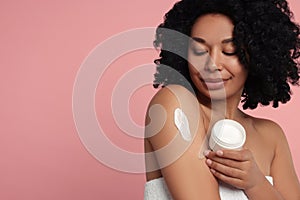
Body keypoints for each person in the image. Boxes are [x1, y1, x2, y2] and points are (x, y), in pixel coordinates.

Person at [143, 0, 300, 199]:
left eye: (230, 51)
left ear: (257, 55)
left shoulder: (271, 136)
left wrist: (256, 184)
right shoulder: (174, 105)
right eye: (199, 51)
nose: (212, 64)